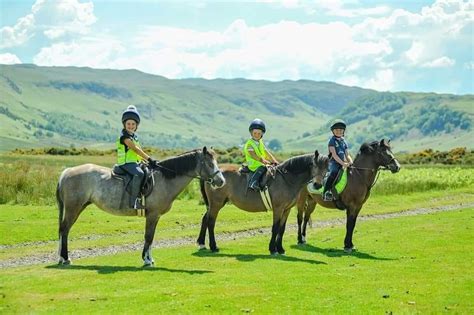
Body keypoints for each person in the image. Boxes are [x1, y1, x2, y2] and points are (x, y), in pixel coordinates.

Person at [116, 105, 159, 209]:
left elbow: (137, 153)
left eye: (133, 124)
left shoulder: (134, 136)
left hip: (133, 162)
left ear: (136, 125)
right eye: (128, 124)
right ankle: (133, 202)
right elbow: (135, 149)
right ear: (124, 124)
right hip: (125, 163)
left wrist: (145, 161)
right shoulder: (124, 137)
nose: (131, 126)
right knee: (139, 174)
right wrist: (149, 158)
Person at [243, 118, 279, 191]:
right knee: (263, 167)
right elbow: (254, 155)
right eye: (255, 133)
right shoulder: (249, 144)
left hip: (261, 162)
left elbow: (266, 152)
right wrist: (264, 161)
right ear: (251, 133)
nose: (257, 135)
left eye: (259, 133)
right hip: (254, 164)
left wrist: (274, 161)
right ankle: (253, 182)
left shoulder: (260, 142)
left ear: (262, 134)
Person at [323, 119, 353, 201]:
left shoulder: (344, 141)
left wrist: (350, 162)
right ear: (333, 131)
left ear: (343, 131)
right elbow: (334, 155)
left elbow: (347, 154)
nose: (338, 131)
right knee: (334, 172)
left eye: (340, 130)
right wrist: (343, 163)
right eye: (336, 130)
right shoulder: (332, 141)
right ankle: (326, 192)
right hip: (333, 163)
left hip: (342, 163)